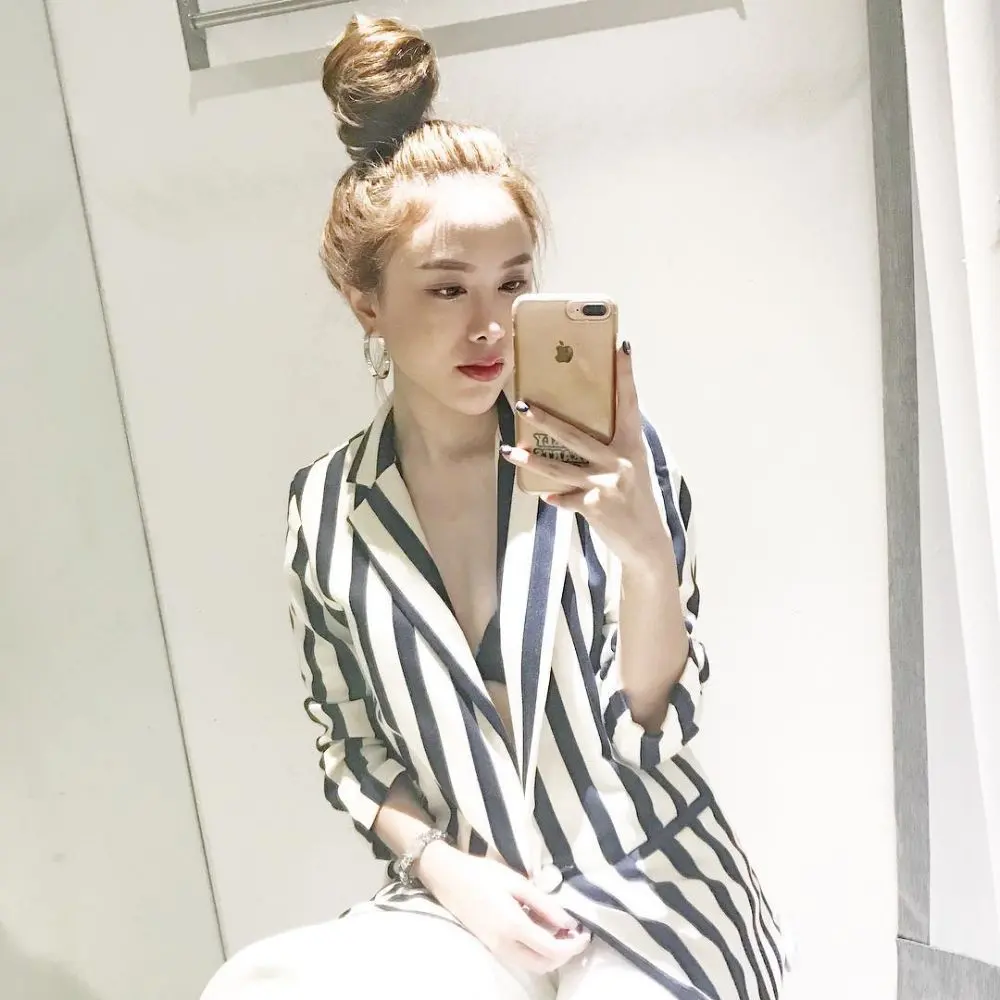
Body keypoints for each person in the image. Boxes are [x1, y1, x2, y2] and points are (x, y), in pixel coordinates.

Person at [201, 14, 787, 1000]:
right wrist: (447, 870)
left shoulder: (608, 455)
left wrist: (646, 552)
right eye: (446, 289)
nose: (490, 324)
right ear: (366, 301)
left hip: (646, 883)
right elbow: (349, 743)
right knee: (253, 987)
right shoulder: (328, 510)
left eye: (512, 282)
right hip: (459, 904)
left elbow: (656, 728)